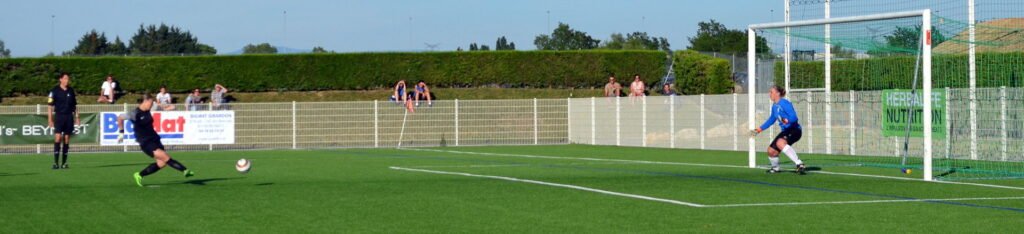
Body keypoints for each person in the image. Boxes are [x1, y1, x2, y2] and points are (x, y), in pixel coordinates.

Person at [116, 93, 195, 187]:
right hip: (145, 142)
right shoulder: (134, 113)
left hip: (155, 139)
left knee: (162, 163)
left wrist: (169, 108)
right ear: (145, 101)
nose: (152, 104)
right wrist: (121, 132)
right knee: (165, 157)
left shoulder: (150, 108)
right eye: (151, 102)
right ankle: (185, 170)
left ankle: (139, 175)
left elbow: (162, 108)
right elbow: (120, 118)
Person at [752, 85, 806, 174]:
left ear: (778, 93)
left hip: (795, 129)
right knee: (771, 151)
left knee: (780, 142)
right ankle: (775, 168)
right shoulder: (774, 106)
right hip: (786, 131)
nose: (769, 94)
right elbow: (771, 119)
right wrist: (759, 129)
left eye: (771, 92)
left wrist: (787, 120)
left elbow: (794, 117)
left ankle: (799, 164)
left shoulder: (785, 103)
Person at [48, 72, 79, 169]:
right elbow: (49, 106)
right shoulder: (54, 91)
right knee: (57, 138)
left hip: (69, 117)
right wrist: (50, 119)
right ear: (60, 79)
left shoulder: (71, 90)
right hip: (59, 117)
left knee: (66, 139)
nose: (67, 81)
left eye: (68, 79)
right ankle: (55, 163)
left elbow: (75, 106)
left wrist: (77, 117)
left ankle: (64, 163)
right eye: (65, 79)